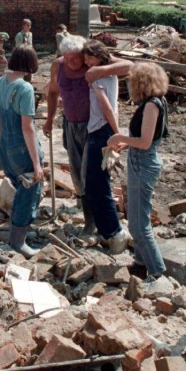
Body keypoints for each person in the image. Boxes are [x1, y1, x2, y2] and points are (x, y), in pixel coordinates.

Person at [43, 35, 129, 237]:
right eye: (68, 58)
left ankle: (104, 222)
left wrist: (101, 70)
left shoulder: (92, 63)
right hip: (71, 125)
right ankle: (90, 220)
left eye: (76, 58)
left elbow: (130, 66)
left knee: (92, 175)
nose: (72, 63)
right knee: (77, 174)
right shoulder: (59, 66)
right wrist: (49, 120)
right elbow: (53, 92)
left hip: (94, 128)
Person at [109, 62, 170, 280]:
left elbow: (145, 142)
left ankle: (157, 271)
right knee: (136, 216)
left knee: (138, 222)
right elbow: (148, 139)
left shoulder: (152, 105)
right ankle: (141, 262)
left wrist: (120, 138)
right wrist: (127, 144)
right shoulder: (155, 101)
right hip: (141, 159)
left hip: (143, 162)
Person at [0, 45, 45, 257]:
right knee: (29, 189)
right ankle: (18, 241)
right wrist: (36, 163)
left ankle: (17, 230)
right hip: (21, 150)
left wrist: (0, 143)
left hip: (6, 145)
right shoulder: (24, 89)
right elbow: (27, 127)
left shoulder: (0, 82)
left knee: (20, 187)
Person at [81, 40, 130, 254]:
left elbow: (105, 104)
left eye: (89, 57)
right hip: (103, 130)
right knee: (96, 184)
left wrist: (117, 132)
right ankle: (106, 230)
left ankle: (115, 232)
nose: (86, 62)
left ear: (99, 57)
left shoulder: (96, 74)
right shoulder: (109, 72)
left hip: (101, 131)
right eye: (85, 58)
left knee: (97, 186)